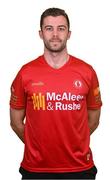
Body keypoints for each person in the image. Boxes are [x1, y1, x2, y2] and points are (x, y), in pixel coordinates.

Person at [10, 7, 102, 179]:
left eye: (61, 28)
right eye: (49, 28)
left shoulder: (87, 72)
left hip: (79, 168)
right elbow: (16, 123)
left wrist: (74, 141)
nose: (55, 34)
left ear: (69, 34)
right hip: (36, 169)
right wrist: (36, 145)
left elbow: (94, 120)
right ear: (40, 33)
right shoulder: (25, 73)